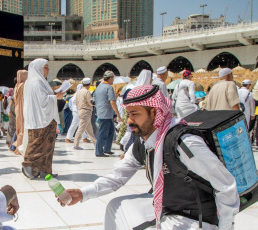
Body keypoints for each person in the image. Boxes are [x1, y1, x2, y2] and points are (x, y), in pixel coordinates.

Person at [59, 85, 239, 230]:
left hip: (194, 219)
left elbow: (226, 186)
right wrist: (84, 193)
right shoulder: (143, 143)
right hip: (168, 209)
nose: (129, 121)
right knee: (116, 206)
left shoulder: (184, 143)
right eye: (128, 114)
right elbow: (117, 177)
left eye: (135, 114)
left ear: (154, 113)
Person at [22, 58, 64, 179]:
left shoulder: (38, 81)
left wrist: (55, 95)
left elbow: (45, 97)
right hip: (40, 119)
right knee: (37, 145)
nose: (48, 70)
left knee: (48, 146)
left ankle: (45, 171)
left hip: (43, 118)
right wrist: (56, 97)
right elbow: (43, 101)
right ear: (39, 68)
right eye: (46, 67)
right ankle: (28, 166)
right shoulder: (36, 82)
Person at [94, 71, 123, 157]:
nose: (113, 80)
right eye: (113, 79)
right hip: (106, 113)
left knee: (110, 130)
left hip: (101, 112)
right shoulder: (109, 87)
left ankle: (107, 148)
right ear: (110, 78)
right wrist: (118, 114)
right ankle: (99, 151)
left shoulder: (99, 87)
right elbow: (112, 101)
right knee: (103, 132)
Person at [73, 78, 97, 150]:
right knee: (81, 129)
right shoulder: (87, 92)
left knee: (89, 130)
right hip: (86, 111)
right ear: (89, 85)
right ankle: (76, 144)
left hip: (80, 110)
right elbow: (90, 102)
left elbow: (76, 102)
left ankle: (96, 143)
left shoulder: (78, 92)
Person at [13, 70, 28, 155]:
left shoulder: (17, 85)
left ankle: (18, 147)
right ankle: (20, 148)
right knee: (22, 128)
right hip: (22, 108)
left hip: (18, 108)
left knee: (19, 127)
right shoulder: (23, 85)